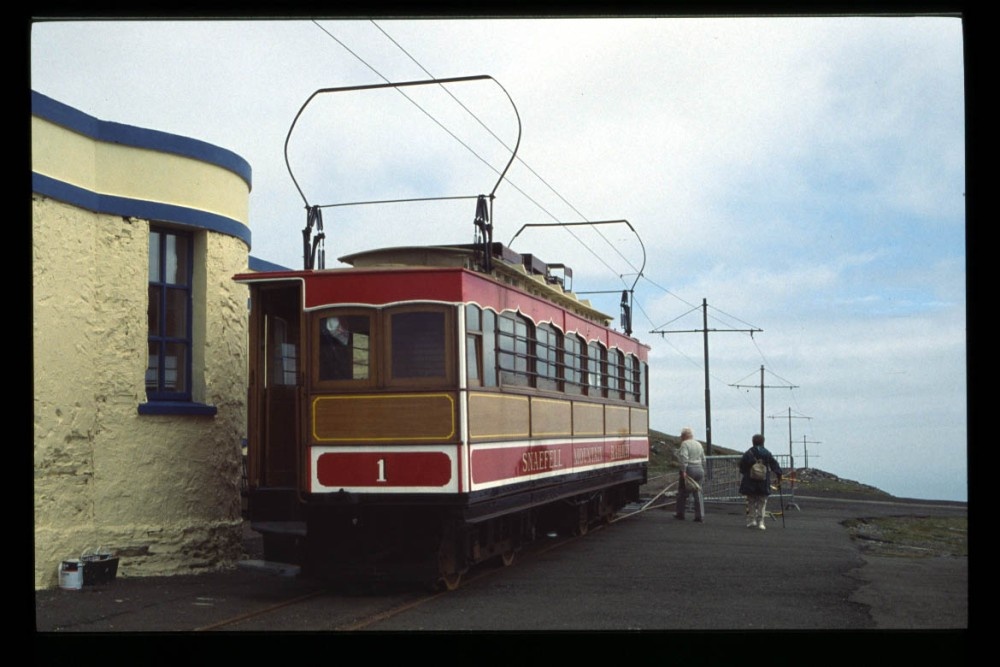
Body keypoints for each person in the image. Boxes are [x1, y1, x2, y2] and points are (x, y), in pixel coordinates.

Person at [739, 434, 783, 530]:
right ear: (763, 442)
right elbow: (774, 464)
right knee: (762, 501)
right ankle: (761, 522)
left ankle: (752, 520)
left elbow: (742, 466)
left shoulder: (748, 453)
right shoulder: (767, 453)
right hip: (763, 480)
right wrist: (779, 474)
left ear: (753, 442)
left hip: (750, 480)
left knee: (751, 501)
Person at [674, 427, 706, 522]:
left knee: (682, 492)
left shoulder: (685, 444)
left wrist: (683, 470)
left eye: (681, 436)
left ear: (684, 436)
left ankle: (680, 513)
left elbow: (684, 458)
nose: (681, 438)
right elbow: (703, 458)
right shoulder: (698, 444)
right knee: (698, 492)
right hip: (699, 469)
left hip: (689, 469)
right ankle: (700, 516)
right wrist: (702, 467)